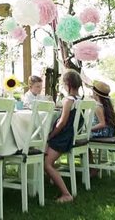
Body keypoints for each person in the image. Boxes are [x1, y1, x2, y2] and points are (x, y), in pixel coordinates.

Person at [44, 69, 82, 203]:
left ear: (67, 84)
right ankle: (51, 180)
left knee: (46, 163)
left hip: (62, 138)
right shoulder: (79, 100)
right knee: (47, 159)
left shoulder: (68, 100)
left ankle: (66, 194)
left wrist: (50, 136)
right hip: (69, 136)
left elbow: (62, 123)